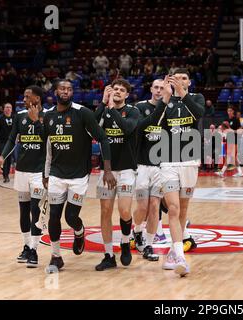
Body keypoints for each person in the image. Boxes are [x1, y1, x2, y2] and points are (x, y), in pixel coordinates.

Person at [43, 79, 116, 273]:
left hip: (78, 175)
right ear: (55, 91)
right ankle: (56, 256)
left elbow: (102, 138)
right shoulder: (48, 116)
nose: (66, 91)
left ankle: (79, 231)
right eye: (62, 88)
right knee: (54, 216)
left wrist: (107, 170)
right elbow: (48, 149)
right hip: (57, 174)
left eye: (69, 89)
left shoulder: (82, 113)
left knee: (71, 216)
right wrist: (46, 173)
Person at [138, 69, 204, 276]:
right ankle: (180, 256)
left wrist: (182, 93)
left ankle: (173, 253)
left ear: (189, 82)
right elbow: (151, 123)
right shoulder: (165, 102)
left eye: (184, 78)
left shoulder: (196, 98)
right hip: (167, 161)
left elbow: (199, 115)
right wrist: (165, 98)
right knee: (173, 209)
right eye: (176, 78)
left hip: (190, 162)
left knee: (183, 209)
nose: (180, 81)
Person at [93, 79, 140, 271]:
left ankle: (125, 241)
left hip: (127, 169)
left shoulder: (133, 111)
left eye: (121, 90)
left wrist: (111, 108)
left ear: (127, 95)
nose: (117, 92)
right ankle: (108, 255)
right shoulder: (105, 110)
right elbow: (91, 127)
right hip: (107, 170)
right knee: (105, 212)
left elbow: (126, 128)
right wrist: (103, 103)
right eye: (115, 89)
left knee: (125, 211)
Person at [0, 86, 45, 267]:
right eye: (24, 96)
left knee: (35, 210)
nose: (24, 99)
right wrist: (3, 156)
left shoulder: (47, 116)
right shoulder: (19, 116)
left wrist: (37, 121)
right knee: (23, 210)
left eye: (27, 96)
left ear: (37, 98)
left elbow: (48, 139)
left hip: (39, 172)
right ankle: (26, 245)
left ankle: (34, 249)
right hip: (22, 170)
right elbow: (12, 139)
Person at [134, 79, 167, 259]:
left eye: (162, 88)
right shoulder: (139, 107)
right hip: (141, 165)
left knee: (155, 206)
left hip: (160, 167)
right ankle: (137, 230)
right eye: (156, 87)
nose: (158, 90)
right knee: (142, 206)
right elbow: (140, 127)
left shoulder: (170, 110)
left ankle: (149, 245)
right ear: (151, 89)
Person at [216, 106, 243, 177]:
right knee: (234, 158)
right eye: (228, 111)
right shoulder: (226, 120)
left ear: (233, 111)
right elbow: (223, 128)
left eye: (231, 111)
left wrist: (232, 130)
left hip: (234, 140)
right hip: (228, 140)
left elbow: (240, 131)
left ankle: (222, 172)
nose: (229, 112)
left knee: (229, 157)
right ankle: (240, 172)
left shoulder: (236, 119)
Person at [0, 103, 14, 182]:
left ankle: (7, 173)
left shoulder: (14, 118)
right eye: (7, 107)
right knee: (3, 158)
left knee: (9, 159)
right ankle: (5, 175)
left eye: (10, 107)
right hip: (2, 142)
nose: (8, 109)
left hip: (12, 142)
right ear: (4, 109)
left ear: (11, 109)